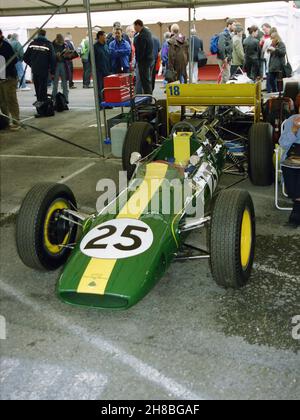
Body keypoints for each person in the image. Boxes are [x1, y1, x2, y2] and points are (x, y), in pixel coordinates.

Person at [24, 29, 55, 113]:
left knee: (37, 90)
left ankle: (39, 109)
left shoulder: (32, 44)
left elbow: (25, 57)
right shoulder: (48, 44)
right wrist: (52, 72)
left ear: (38, 34)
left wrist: (32, 64)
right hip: (44, 70)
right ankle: (43, 109)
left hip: (35, 70)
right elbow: (52, 59)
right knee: (43, 90)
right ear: (45, 34)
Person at [279, 112, 300, 226]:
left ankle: (296, 210)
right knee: (289, 169)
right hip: (293, 155)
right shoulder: (292, 120)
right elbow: (283, 144)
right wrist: (294, 129)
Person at [0, 29, 20, 130]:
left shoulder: (6, 46)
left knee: (11, 99)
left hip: (9, 78)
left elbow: (14, 60)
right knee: (2, 101)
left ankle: (16, 121)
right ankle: (6, 122)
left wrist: (5, 68)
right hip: (0, 78)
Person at [133, 19, 153, 95]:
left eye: (135, 27)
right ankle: (149, 97)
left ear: (138, 25)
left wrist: (138, 60)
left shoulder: (142, 35)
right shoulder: (148, 33)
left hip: (143, 62)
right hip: (149, 60)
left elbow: (141, 50)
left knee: (145, 81)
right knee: (147, 80)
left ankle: (148, 99)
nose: (134, 29)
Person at [93, 31, 111, 101]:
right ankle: (100, 104)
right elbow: (91, 59)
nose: (105, 37)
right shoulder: (95, 47)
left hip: (107, 70)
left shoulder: (106, 46)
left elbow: (108, 57)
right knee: (99, 88)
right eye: (104, 35)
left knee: (106, 87)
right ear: (100, 36)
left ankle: (107, 102)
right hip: (98, 71)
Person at [52, 34, 69, 106]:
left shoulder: (64, 45)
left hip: (63, 64)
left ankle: (65, 101)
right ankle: (54, 101)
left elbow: (67, 56)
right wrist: (56, 55)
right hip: (56, 65)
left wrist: (68, 54)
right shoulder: (52, 45)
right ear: (56, 40)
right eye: (60, 42)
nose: (61, 43)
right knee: (55, 84)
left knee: (65, 84)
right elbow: (51, 55)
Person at [217, 18, 236, 84]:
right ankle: (223, 92)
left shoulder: (229, 34)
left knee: (225, 76)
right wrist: (224, 58)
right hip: (224, 58)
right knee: (226, 76)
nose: (235, 27)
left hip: (227, 58)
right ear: (229, 25)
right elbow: (221, 47)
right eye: (234, 25)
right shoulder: (223, 34)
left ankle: (220, 91)